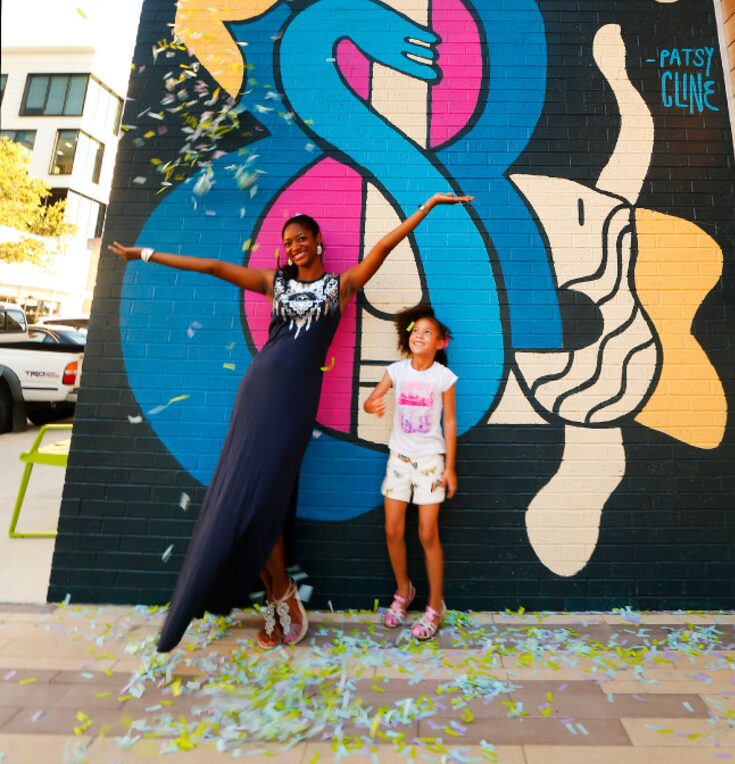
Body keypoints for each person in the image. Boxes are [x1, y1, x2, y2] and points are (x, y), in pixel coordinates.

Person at [108, 191, 471, 652]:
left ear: (318, 241)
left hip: (294, 404)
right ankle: (280, 597)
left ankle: (282, 597)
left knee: (268, 498)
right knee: (250, 499)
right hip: (257, 394)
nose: (295, 246)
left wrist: (426, 207)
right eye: (288, 242)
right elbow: (214, 268)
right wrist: (145, 254)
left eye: (302, 238)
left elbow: (382, 248)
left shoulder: (340, 286)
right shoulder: (273, 283)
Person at [363, 304, 457, 641]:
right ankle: (404, 592)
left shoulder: (443, 377)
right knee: (392, 530)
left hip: (431, 462)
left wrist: (449, 467)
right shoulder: (397, 370)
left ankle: (435, 605)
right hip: (399, 461)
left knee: (428, 534)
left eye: (427, 332)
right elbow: (372, 398)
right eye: (415, 331)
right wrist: (371, 404)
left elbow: (449, 421)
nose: (419, 335)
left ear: (440, 343)